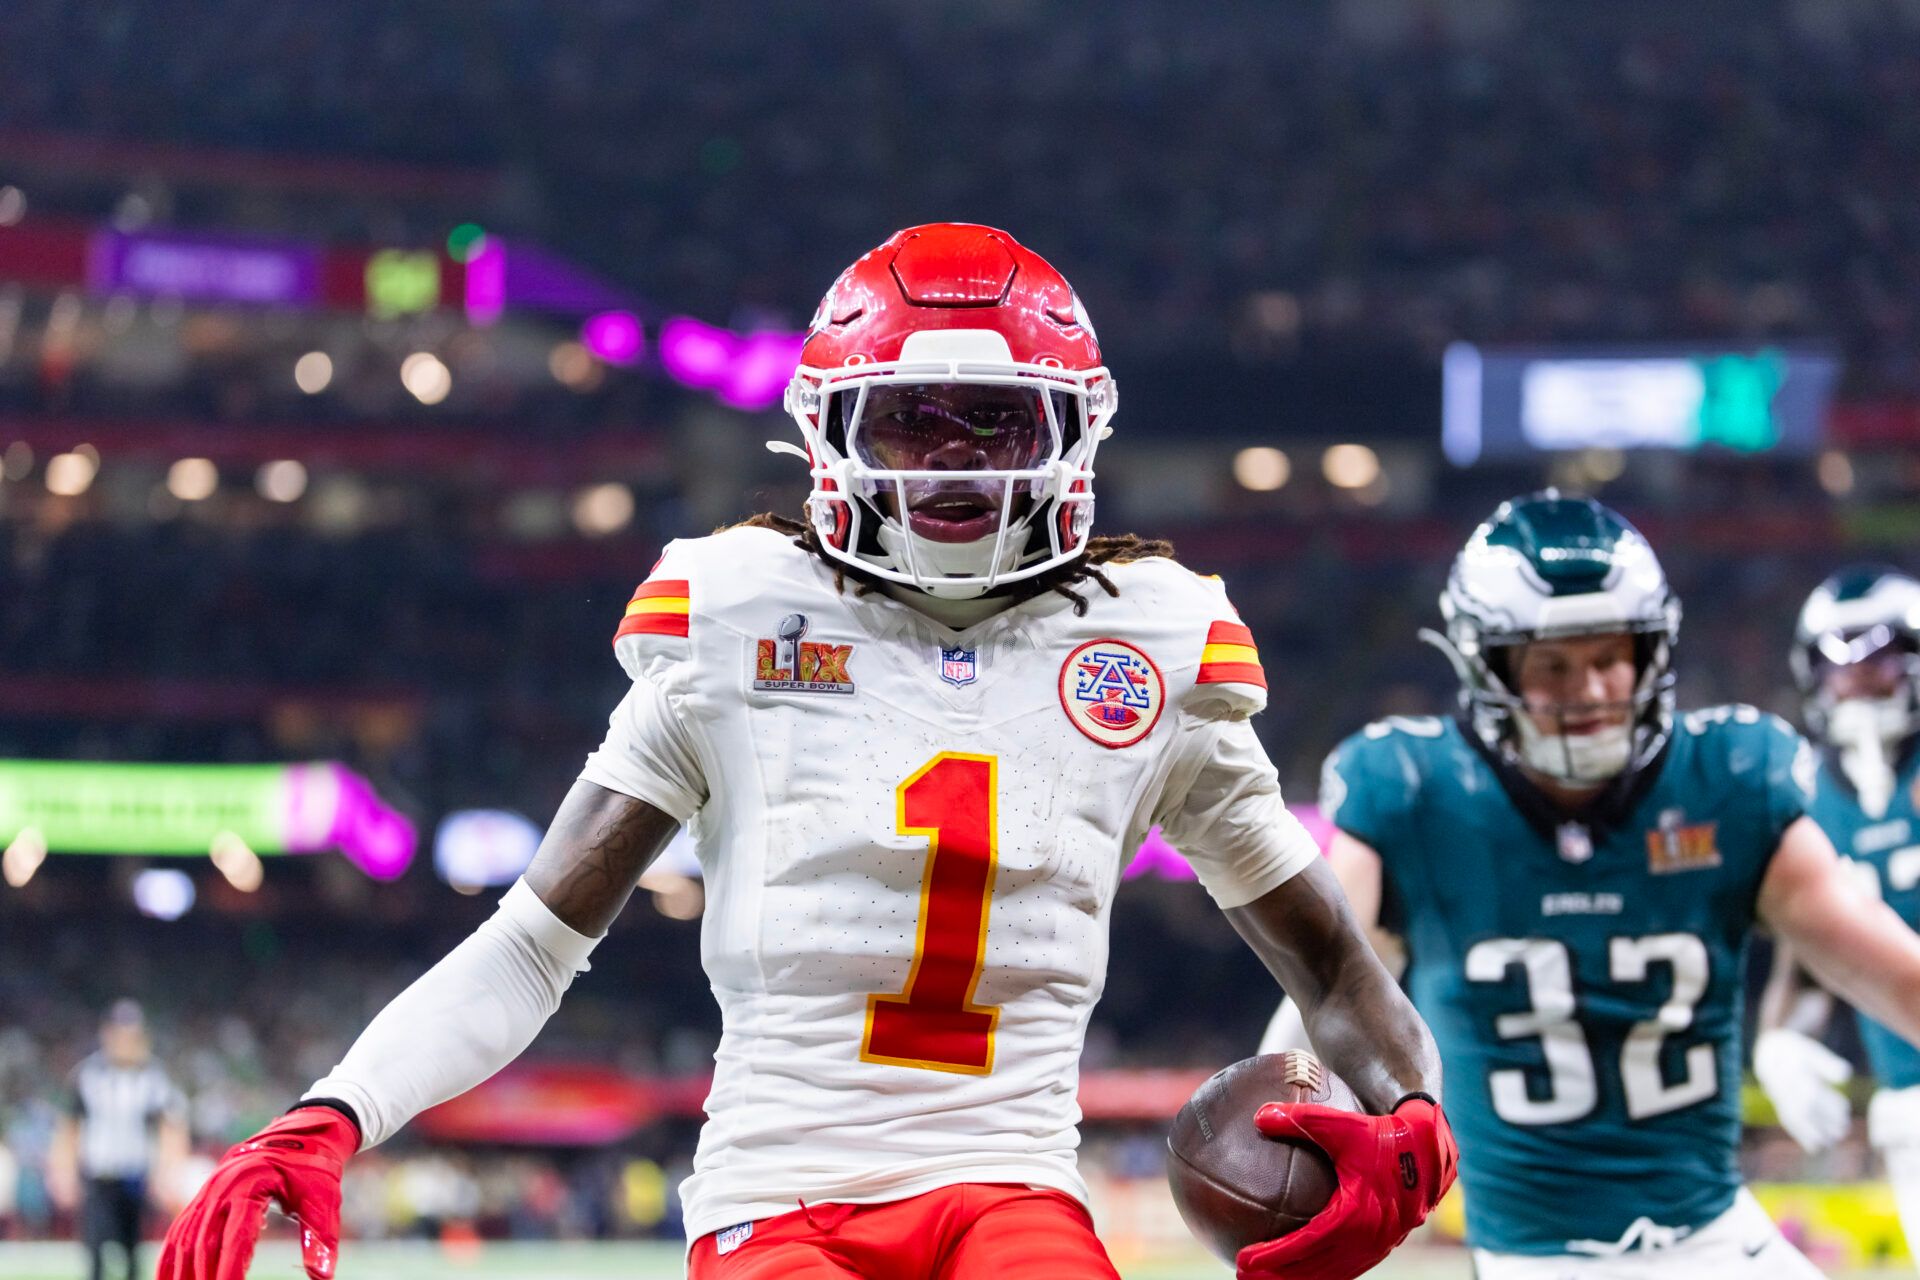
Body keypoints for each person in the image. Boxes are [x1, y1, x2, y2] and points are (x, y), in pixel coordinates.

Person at [158, 224, 1456, 1280]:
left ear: (1070, 437)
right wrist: (338, 1108)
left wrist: (1417, 1120)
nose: (954, 466)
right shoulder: (736, 619)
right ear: (833, 433)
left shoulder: (1151, 647)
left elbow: (1332, 962)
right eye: (912, 424)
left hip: (1010, 1186)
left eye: (994, 424)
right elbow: (532, 942)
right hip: (780, 1197)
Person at [1260, 492, 1920, 1278]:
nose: (1592, 689)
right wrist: (1275, 1145)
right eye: (1552, 663)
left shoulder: (1728, 781)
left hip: (1717, 1242)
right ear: (1489, 664)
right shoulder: (1414, 795)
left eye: (1610, 656)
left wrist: (1783, 1034)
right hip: (1533, 1260)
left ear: (1652, 653)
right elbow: (1324, 1001)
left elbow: (1896, 978)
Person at [1755, 567, 1920, 1263]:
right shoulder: (1812, 795)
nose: (1854, 684)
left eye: (1875, 662)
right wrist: (1780, 1039)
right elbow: (1812, 951)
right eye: (1836, 665)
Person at [48, 1000, 188, 1280]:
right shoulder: (88, 1075)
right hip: (98, 1176)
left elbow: (170, 1127)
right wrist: (62, 1172)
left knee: (133, 1251)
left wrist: (168, 1170)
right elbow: (69, 1127)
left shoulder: (152, 1077)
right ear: (107, 1034)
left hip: (135, 1175)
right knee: (96, 1251)